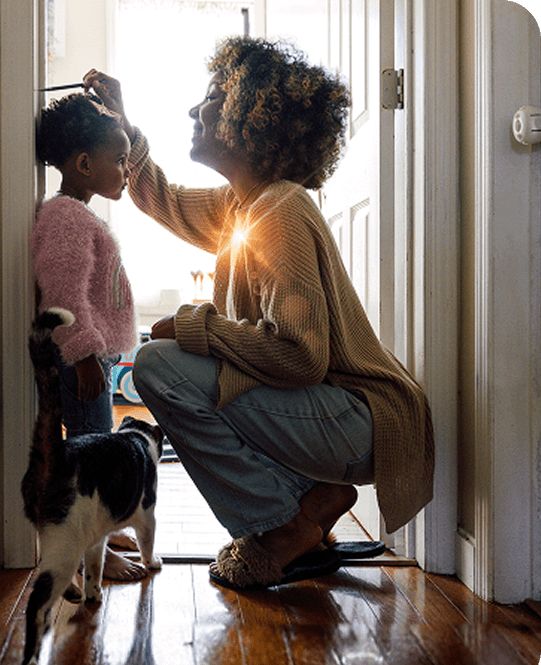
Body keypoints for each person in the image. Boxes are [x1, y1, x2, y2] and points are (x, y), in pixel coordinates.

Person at [83, 36, 434, 590]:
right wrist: (125, 125)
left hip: (362, 420)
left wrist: (198, 326)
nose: (194, 111)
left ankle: (287, 527)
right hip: (342, 417)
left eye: (212, 98)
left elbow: (301, 358)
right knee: (184, 369)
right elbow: (162, 197)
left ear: (254, 115)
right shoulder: (242, 205)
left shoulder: (279, 211)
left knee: (157, 366)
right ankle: (311, 505)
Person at [34, 92, 146, 581]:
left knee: (96, 449)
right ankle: (84, 554)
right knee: (91, 457)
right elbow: (62, 292)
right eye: (120, 161)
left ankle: (99, 534)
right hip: (80, 359)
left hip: (93, 358)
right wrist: (82, 356)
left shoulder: (77, 213)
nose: (127, 170)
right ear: (84, 163)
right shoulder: (66, 218)